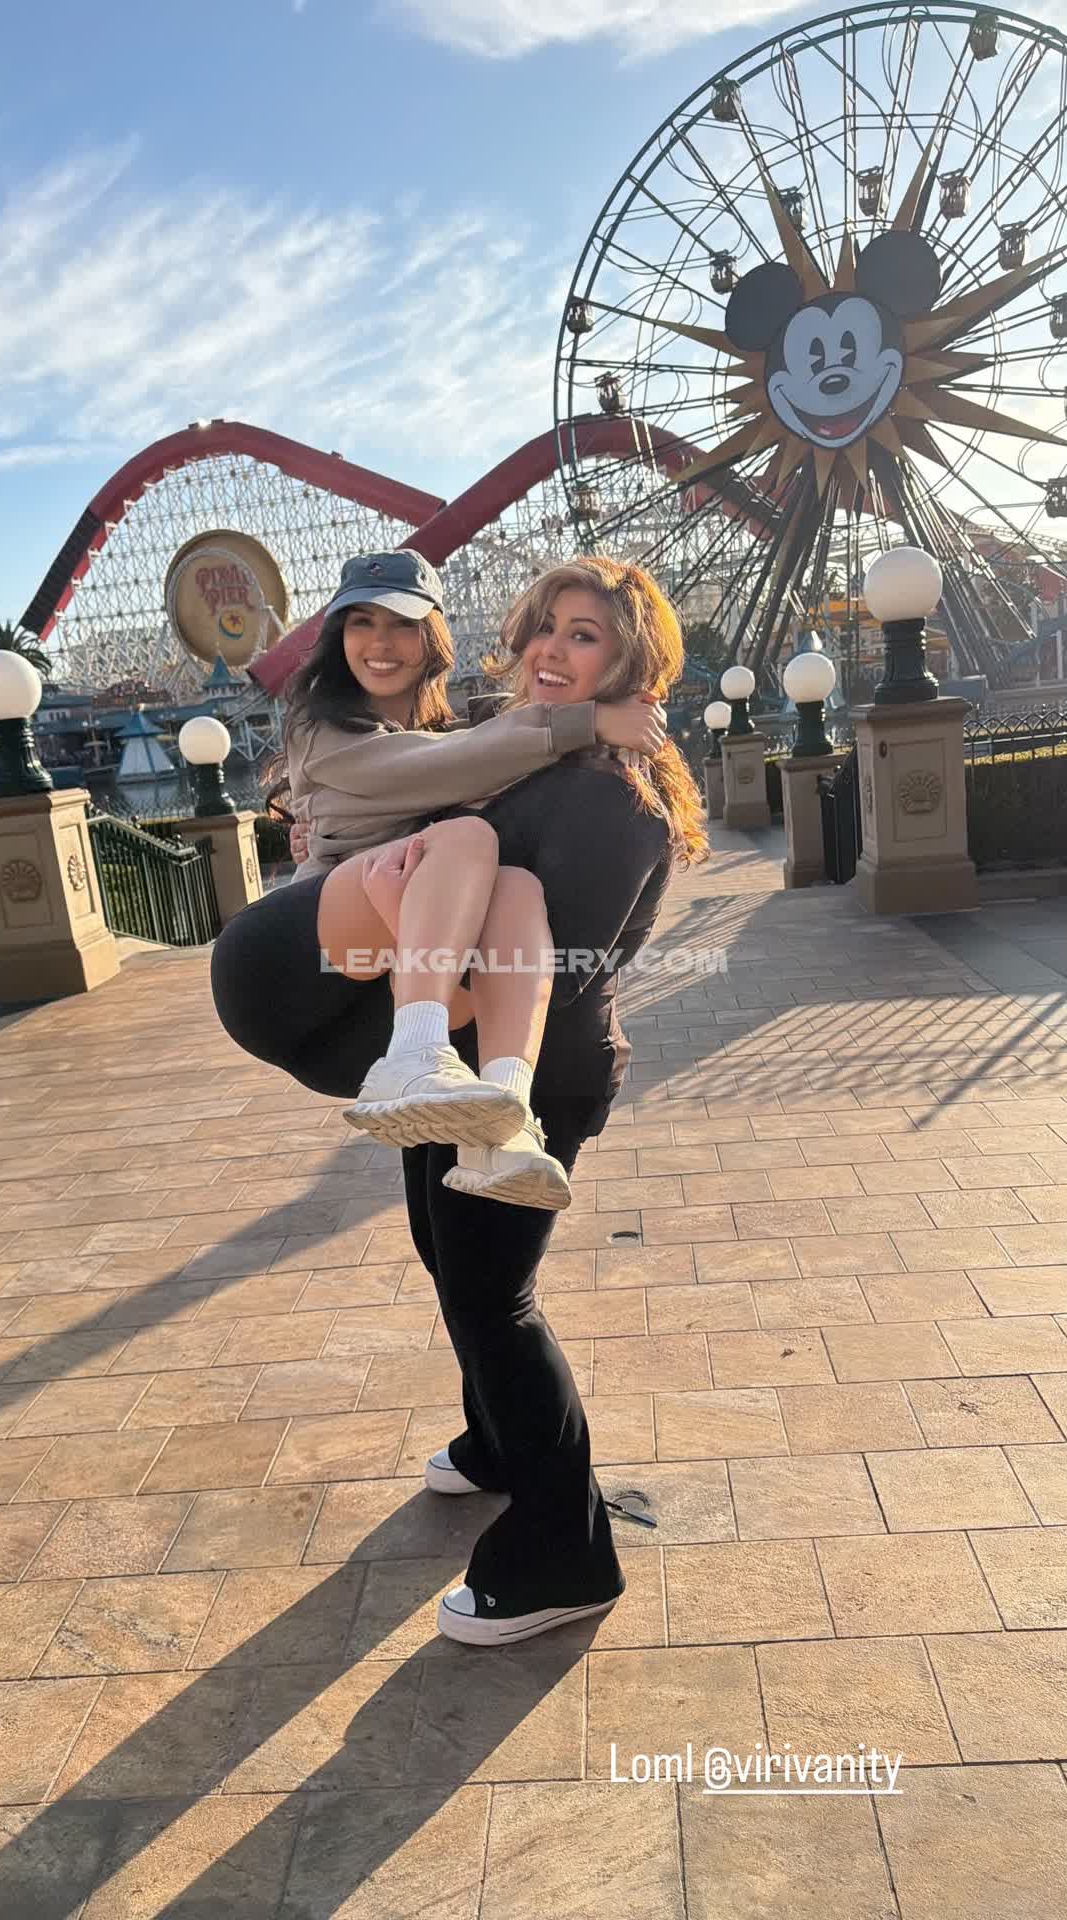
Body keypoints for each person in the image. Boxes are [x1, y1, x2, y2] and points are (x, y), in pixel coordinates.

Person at [287, 558, 706, 1647]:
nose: (553, 651)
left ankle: (565, 1554)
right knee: (445, 1252)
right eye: (546, 628)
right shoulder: (533, 755)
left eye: (585, 636)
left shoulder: (609, 796)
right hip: (460, 1065)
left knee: (492, 1297)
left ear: (629, 664)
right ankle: (496, 1440)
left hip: (535, 1077)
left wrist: (387, 966)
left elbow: (558, 961)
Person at [210, 549, 664, 1211]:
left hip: (372, 981)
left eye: (402, 624)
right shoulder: (322, 728)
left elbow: (470, 755)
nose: (380, 643)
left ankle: (504, 1118)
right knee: (467, 839)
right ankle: (415, 1051)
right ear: (337, 637)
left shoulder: (454, 732)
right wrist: (587, 720)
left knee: (515, 889)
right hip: (293, 966)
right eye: (361, 623)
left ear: (432, 638)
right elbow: (438, 766)